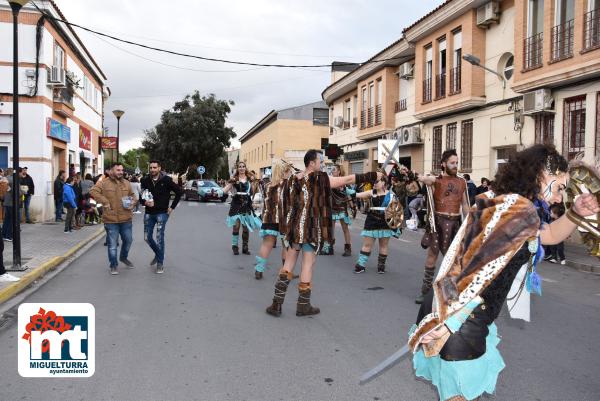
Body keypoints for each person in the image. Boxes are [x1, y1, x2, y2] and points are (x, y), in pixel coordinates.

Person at [407, 144, 599, 401]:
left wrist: (576, 213)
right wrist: (446, 320)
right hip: (459, 315)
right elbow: (471, 268)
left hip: (457, 311)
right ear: (541, 176)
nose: (559, 198)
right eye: (559, 188)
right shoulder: (519, 211)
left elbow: (550, 235)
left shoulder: (512, 207)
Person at [265, 149, 383, 317]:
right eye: (320, 161)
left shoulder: (293, 178)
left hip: (295, 227)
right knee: (307, 264)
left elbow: (285, 204)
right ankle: (303, 305)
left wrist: (285, 227)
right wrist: (372, 176)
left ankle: (276, 303)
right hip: (312, 228)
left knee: (288, 263)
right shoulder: (321, 179)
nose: (322, 163)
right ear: (312, 163)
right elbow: (348, 179)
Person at [415, 149, 470, 304]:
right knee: (432, 256)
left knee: (453, 260)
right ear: (443, 164)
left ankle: (449, 291)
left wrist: (470, 223)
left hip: (455, 224)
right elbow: (423, 178)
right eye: (452, 163)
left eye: (457, 163)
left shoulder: (462, 182)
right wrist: (414, 175)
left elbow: (465, 204)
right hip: (437, 223)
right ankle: (425, 292)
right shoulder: (436, 180)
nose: (455, 165)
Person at [90, 162, 136, 275]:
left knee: (128, 240)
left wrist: (133, 202)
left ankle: (123, 257)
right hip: (111, 220)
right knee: (112, 244)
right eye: (118, 170)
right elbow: (93, 191)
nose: (121, 172)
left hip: (126, 218)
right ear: (111, 171)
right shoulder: (103, 183)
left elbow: (133, 195)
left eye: (121, 170)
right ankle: (113, 265)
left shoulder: (126, 183)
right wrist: (105, 201)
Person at [140, 160, 182, 274]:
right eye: (151, 168)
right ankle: (159, 254)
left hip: (162, 213)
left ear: (159, 168)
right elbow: (141, 197)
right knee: (146, 237)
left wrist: (172, 207)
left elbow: (179, 192)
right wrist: (145, 202)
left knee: (159, 238)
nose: (152, 170)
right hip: (149, 213)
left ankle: (160, 263)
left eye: (155, 167)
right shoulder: (144, 180)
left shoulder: (166, 180)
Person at [253, 160, 294, 280]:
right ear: (284, 172)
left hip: (269, 219)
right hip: (283, 219)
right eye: (289, 172)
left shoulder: (268, 185)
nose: (290, 174)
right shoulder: (288, 185)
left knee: (266, 244)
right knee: (286, 245)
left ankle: (259, 269)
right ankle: (285, 272)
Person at [353, 174, 399, 274]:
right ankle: (361, 265)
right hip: (371, 221)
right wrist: (347, 191)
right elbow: (357, 195)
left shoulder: (391, 195)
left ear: (384, 182)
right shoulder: (371, 192)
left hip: (385, 222)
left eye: (376, 181)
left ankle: (381, 267)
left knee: (383, 245)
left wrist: (396, 226)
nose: (374, 183)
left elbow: (396, 211)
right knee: (367, 244)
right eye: (373, 182)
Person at [222, 162, 261, 255]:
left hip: (246, 204)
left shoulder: (249, 179)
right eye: (240, 167)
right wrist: (230, 183)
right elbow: (224, 191)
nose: (242, 168)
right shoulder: (234, 179)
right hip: (236, 204)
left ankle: (245, 247)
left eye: (243, 167)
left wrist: (255, 182)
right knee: (236, 226)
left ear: (245, 168)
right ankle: (234, 246)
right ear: (237, 169)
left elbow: (256, 190)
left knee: (245, 227)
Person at [328, 164, 356, 257]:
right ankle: (330, 248)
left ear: (339, 171)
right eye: (332, 169)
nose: (332, 171)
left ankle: (348, 249)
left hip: (342, 208)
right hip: (332, 207)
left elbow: (348, 194)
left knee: (345, 229)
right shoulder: (330, 180)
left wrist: (353, 207)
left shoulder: (343, 181)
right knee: (331, 229)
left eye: (334, 169)